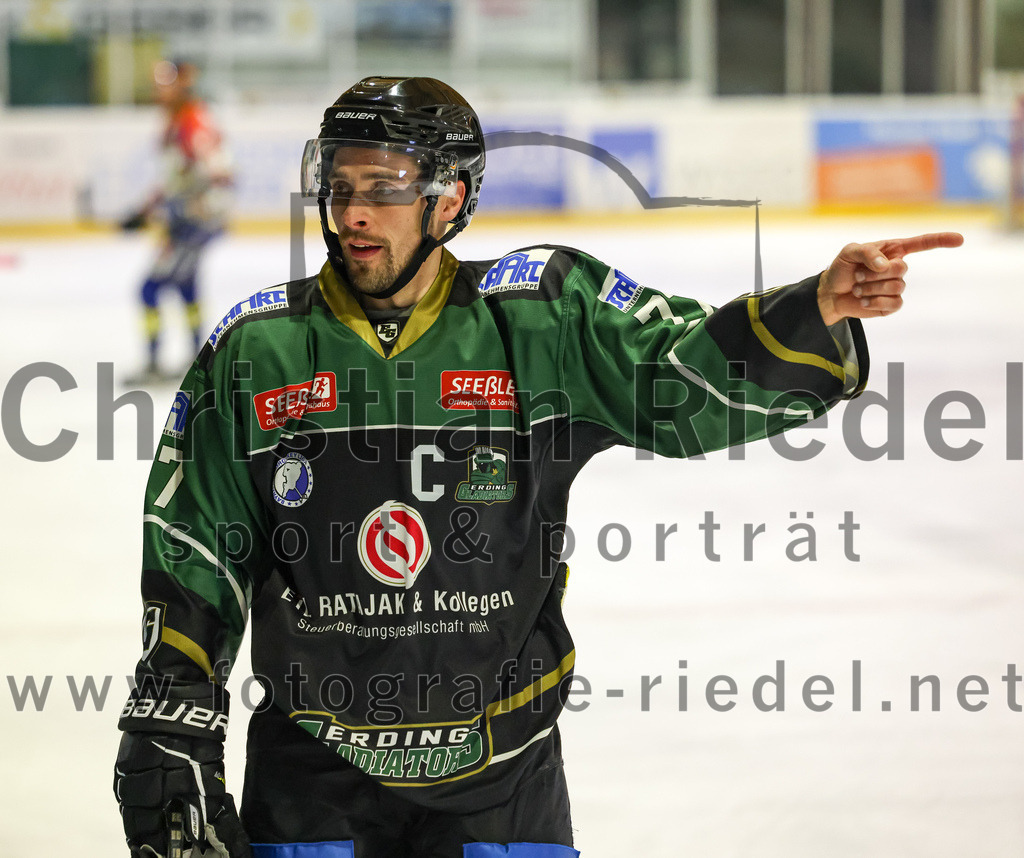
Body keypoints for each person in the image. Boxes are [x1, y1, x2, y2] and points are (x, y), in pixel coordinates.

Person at [112, 76, 962, 858]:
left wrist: (811, 309)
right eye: (340, 187)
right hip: (311, 779)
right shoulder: (259, 348)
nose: (352, 214)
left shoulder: (542, 319)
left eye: (385, 189)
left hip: (504, 782)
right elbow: (198, 541)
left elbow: (682, 379)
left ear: (450, 200)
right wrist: (169, 715)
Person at [121, 58, 232, 383]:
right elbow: (176, 178)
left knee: (149, 288)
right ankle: (199, 360)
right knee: (186, 286)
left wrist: (184, 206)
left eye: (165, 84)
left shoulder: (191, 122)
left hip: (193, 224)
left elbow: (217, 172)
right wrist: (147, 209)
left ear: (182, 84)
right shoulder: (179, 121)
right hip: (192, 221)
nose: (158, 91)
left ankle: (155, 363)